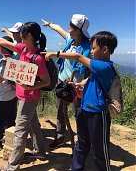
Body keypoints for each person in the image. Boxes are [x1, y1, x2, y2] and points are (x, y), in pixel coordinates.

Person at [43, 31, 118, 171]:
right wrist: (80, 84)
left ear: (105, 49)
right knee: (81, 143)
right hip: (84, 108)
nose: (91, 51)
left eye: (94, 48)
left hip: (98, 113)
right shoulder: (98, 66)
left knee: (100, 149)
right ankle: (76, 168)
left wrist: (55, 54)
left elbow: (77, 56)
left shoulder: (105, 66)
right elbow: (91, 79)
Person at [0, 22, 50, 170]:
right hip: (22, 96)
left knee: (20, 131)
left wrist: (31, 86)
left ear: (29, 36)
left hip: (29, 98)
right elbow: (5, 43)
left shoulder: (37, 58)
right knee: (33, 124)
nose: (19, 38)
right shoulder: (23, 49)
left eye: (22, 35)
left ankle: (12, 166)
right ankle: (41, 151)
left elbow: (46, 81)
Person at [42, 14, 91, 147]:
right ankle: (60, 135)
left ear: (78, 29)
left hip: (77, 86)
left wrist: (55, 53)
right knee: (60, 110)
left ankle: (82, 141)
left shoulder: (89, 48)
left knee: (79, 113)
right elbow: (59, 29)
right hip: (62, 81)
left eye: (71, 26)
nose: (68, 28)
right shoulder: (70, 39)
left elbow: (83, 62)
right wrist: (50, 24)